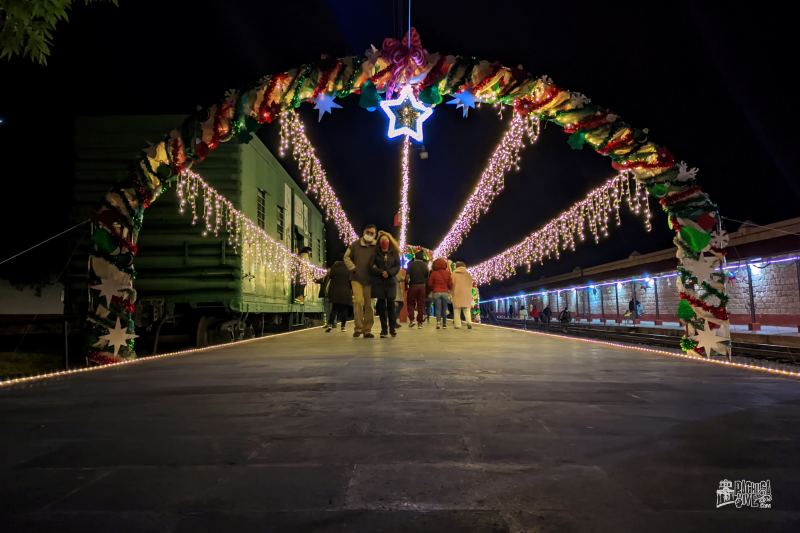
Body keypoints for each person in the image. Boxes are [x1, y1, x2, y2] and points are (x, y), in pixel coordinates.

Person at [344, 224, 378, 338]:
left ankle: (367, 330)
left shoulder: (376, 246)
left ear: (375, 235)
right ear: (364, 232)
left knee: (369, 305)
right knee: (358, 301)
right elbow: (346, 257)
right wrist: (353, 268)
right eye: (368, 232)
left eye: (372, 233)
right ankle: (358, 328)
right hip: (356, 278)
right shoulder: (355, 245)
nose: (369, 234)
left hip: (370, 280)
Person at [370, 231, 400, 338]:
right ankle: (384, 329)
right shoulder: (375, 253)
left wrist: (389, 273)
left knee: (391, 306)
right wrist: (380, 272)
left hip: (391, 283)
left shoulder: (394, 253)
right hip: (379, 283)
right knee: (381, 307)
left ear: (389, 241)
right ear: (379, 242)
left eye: (386, 240)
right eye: (382, 240)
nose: (384, 242)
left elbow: (397, 267)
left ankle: (392, 328)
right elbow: (372, 266)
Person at [325, 254, 352, 332]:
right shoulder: (349, 267)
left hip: (335, 291)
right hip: (345, 291)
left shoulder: (335, 265)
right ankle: (343, 327)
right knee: (344, 310)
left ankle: (330, 324)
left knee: (334, 309)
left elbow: (330, 276)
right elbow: (351, 279)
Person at [405, 251, 429, 329]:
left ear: (415, 257)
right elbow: (427, 276)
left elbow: (407, 276)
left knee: (411, 303)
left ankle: (412, 320)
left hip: (413, 286)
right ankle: (420, 323)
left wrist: (406, 284)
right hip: (422, 286)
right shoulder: (425, 265)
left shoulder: (410, 264)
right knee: (421, 304)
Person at [428, 258, 453, 329]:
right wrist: (448, 288)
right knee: (444, 309)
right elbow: (450, 284)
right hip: (445, 293)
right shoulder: (448, 273)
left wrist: (434, 288)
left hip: (436, 292)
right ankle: (444, 324)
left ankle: (438, 323)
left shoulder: (433, 273)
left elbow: (429, 284)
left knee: (438, 309)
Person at [451, 261, 474, 330]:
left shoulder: (454, 274)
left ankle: (457, 325)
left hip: (457, 293)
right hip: (466, 294)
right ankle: (469, 322)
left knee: (456, 309)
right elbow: (471, 284)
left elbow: (451, 284)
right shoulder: (468, 274)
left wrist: (451, 292)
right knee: (467, 309)